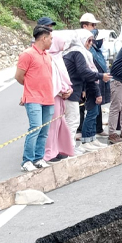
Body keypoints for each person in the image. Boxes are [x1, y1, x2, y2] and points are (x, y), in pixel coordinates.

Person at [15, 25, 55, 171]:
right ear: (43, 38)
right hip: (33, 98)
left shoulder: (47, 55)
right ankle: (27, 161)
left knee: (44, 131)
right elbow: (19, 76)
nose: (52, 41)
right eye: (50, 38)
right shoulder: (27, 54)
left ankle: (39, 158)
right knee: (35, 128)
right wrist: (30, 89)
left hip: (48, 98)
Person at [63, 29, 110, 152]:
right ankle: (70, 148)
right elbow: (84, 72)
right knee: (73, 121)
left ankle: (73, 146)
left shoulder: (78, 53)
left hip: (74, 90)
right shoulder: (78, 52)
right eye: (88, 40)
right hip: (71, 91)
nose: (90, 43)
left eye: (91, 41)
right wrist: (101, 76)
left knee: (74, 120)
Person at [44, 34, 74, 163]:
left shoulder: (58, 57)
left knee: (60, 124)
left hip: (61, 95)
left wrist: (68, 88)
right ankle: (49, 153)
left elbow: (63, 78)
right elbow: (52, 79)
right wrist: (62, 89)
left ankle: (58, 149)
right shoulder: (48, 58)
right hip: (54, 95)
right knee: (52, 125)